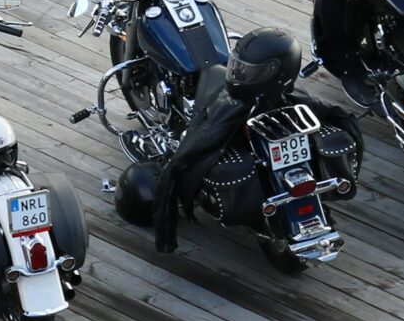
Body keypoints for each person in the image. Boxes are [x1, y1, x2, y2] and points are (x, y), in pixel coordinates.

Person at [148, 29, 356, 252]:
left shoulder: (227, 113)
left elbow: (187, 155)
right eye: (239, 67)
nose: (240, 74)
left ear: (277, 72)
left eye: (249, 71)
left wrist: (171, 180)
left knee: (179, 161)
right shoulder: (300, 103)